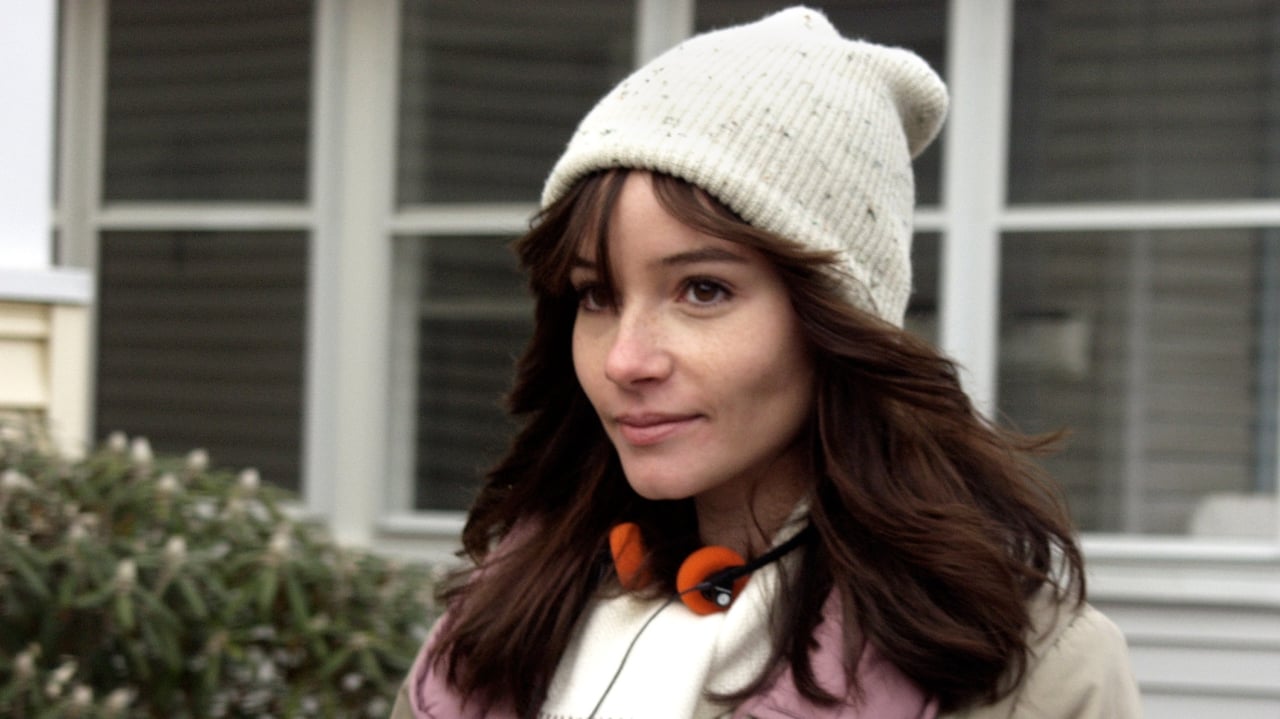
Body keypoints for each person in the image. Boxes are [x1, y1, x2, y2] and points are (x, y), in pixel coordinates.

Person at [392, 6, 1142, 719]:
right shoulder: (496, 619)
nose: (625, 359)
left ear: (838, 318)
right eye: (597, 295)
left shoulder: (1030, 667)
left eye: (703, 290)